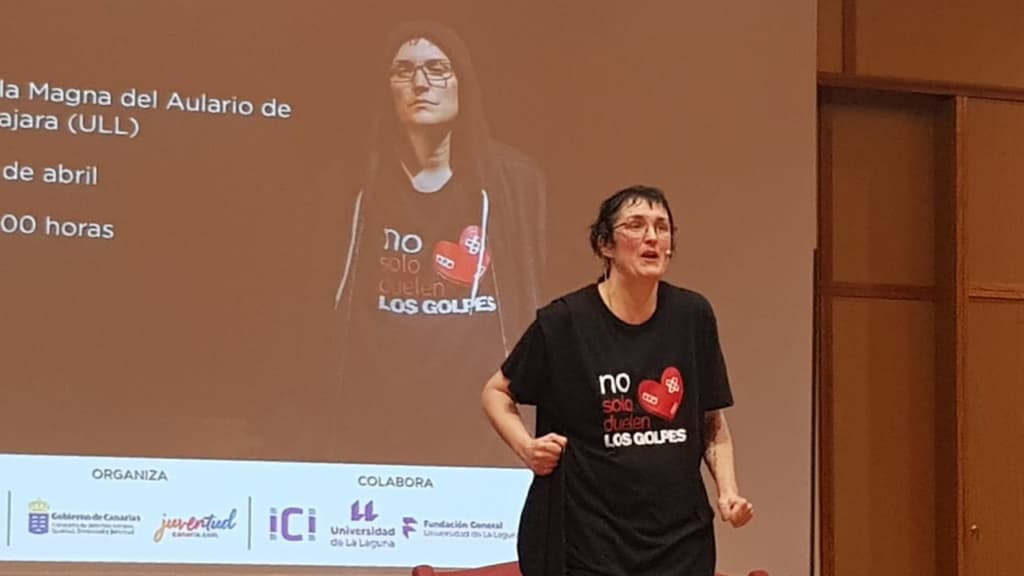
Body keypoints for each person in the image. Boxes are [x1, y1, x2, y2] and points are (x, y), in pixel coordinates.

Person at [481, 185, 753, 576]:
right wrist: (526, 447)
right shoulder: (565, 322)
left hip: (680, 542)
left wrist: (728, 491)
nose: (652, 237)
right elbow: (496, 392)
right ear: (605, 244)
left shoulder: (692, 316)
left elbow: (710, 420)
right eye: (636, 225)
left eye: (662, 227)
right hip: (590, 541)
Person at [329, 21, 547, 464]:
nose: (421, 83)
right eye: (403, 71)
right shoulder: (349, 185)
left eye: (437, 68)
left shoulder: (515, 182)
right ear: (385, 88)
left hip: (484, 423)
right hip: (373, 419)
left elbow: (535, 290)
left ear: (463, 82)